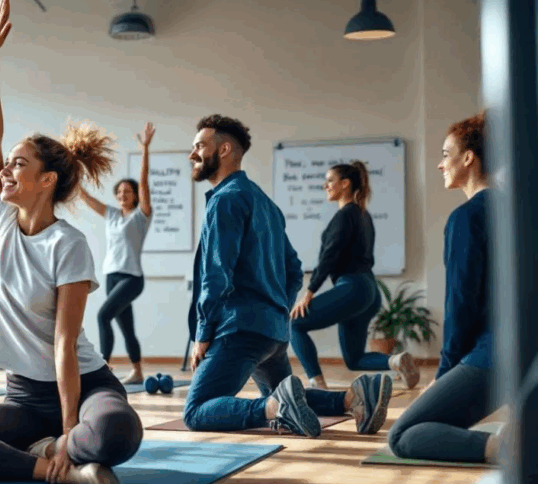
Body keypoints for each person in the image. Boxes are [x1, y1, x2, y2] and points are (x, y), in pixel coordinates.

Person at [0, 0, 143, 484]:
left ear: (47, 180)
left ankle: (58, 449)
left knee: (117, 430)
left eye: (18, 164)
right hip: (22, 397)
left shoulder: (69, 244)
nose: (4, 169)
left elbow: (65, 343)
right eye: (8, 163)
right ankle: (51, 467)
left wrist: (68, 428)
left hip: (85, 386)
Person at [182, 114, 393, 438]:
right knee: (279, 393)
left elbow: (216, 273)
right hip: (273, 332)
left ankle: (276, 408)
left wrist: (202, 333)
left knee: (196, 411)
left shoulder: (225, 200)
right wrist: (277, 305)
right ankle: (352, 398)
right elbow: (293, 268)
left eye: (199, 146)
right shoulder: (265, 203)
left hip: (238, 329)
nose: (192, 154)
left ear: (224, 150)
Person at [388, 112, 501, 464]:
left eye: (445, 154)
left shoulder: (467, 217)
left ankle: (512, 449)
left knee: (402, 435)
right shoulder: (521, 211)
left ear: (468, 158)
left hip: (496, 357)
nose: (440, 165)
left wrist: (444, 373)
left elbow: (460, 304)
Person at [289, 161, 419, 390]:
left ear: (345, 184)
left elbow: (329, 256)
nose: (325, 186)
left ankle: (317, 385)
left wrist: (309, 292)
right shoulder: (363, 215)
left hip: (353, 288)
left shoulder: (344, 216)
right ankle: (395, 361)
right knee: (354, 359)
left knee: (295, 324)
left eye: (330, 180)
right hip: (369, 290)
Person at [78, 122, 155, 385]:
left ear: (135, 196)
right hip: (111, 275)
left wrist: (145, 149)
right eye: (119, 191)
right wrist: (75, 165)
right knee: (126, 327)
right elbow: (84, 197)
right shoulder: (111, 214)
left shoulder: (141, 216)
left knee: (102, 316)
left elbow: (144, 182)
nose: (123, 194)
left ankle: (103, 369)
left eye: (127, 191)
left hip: (132, 278)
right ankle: (138, 371)